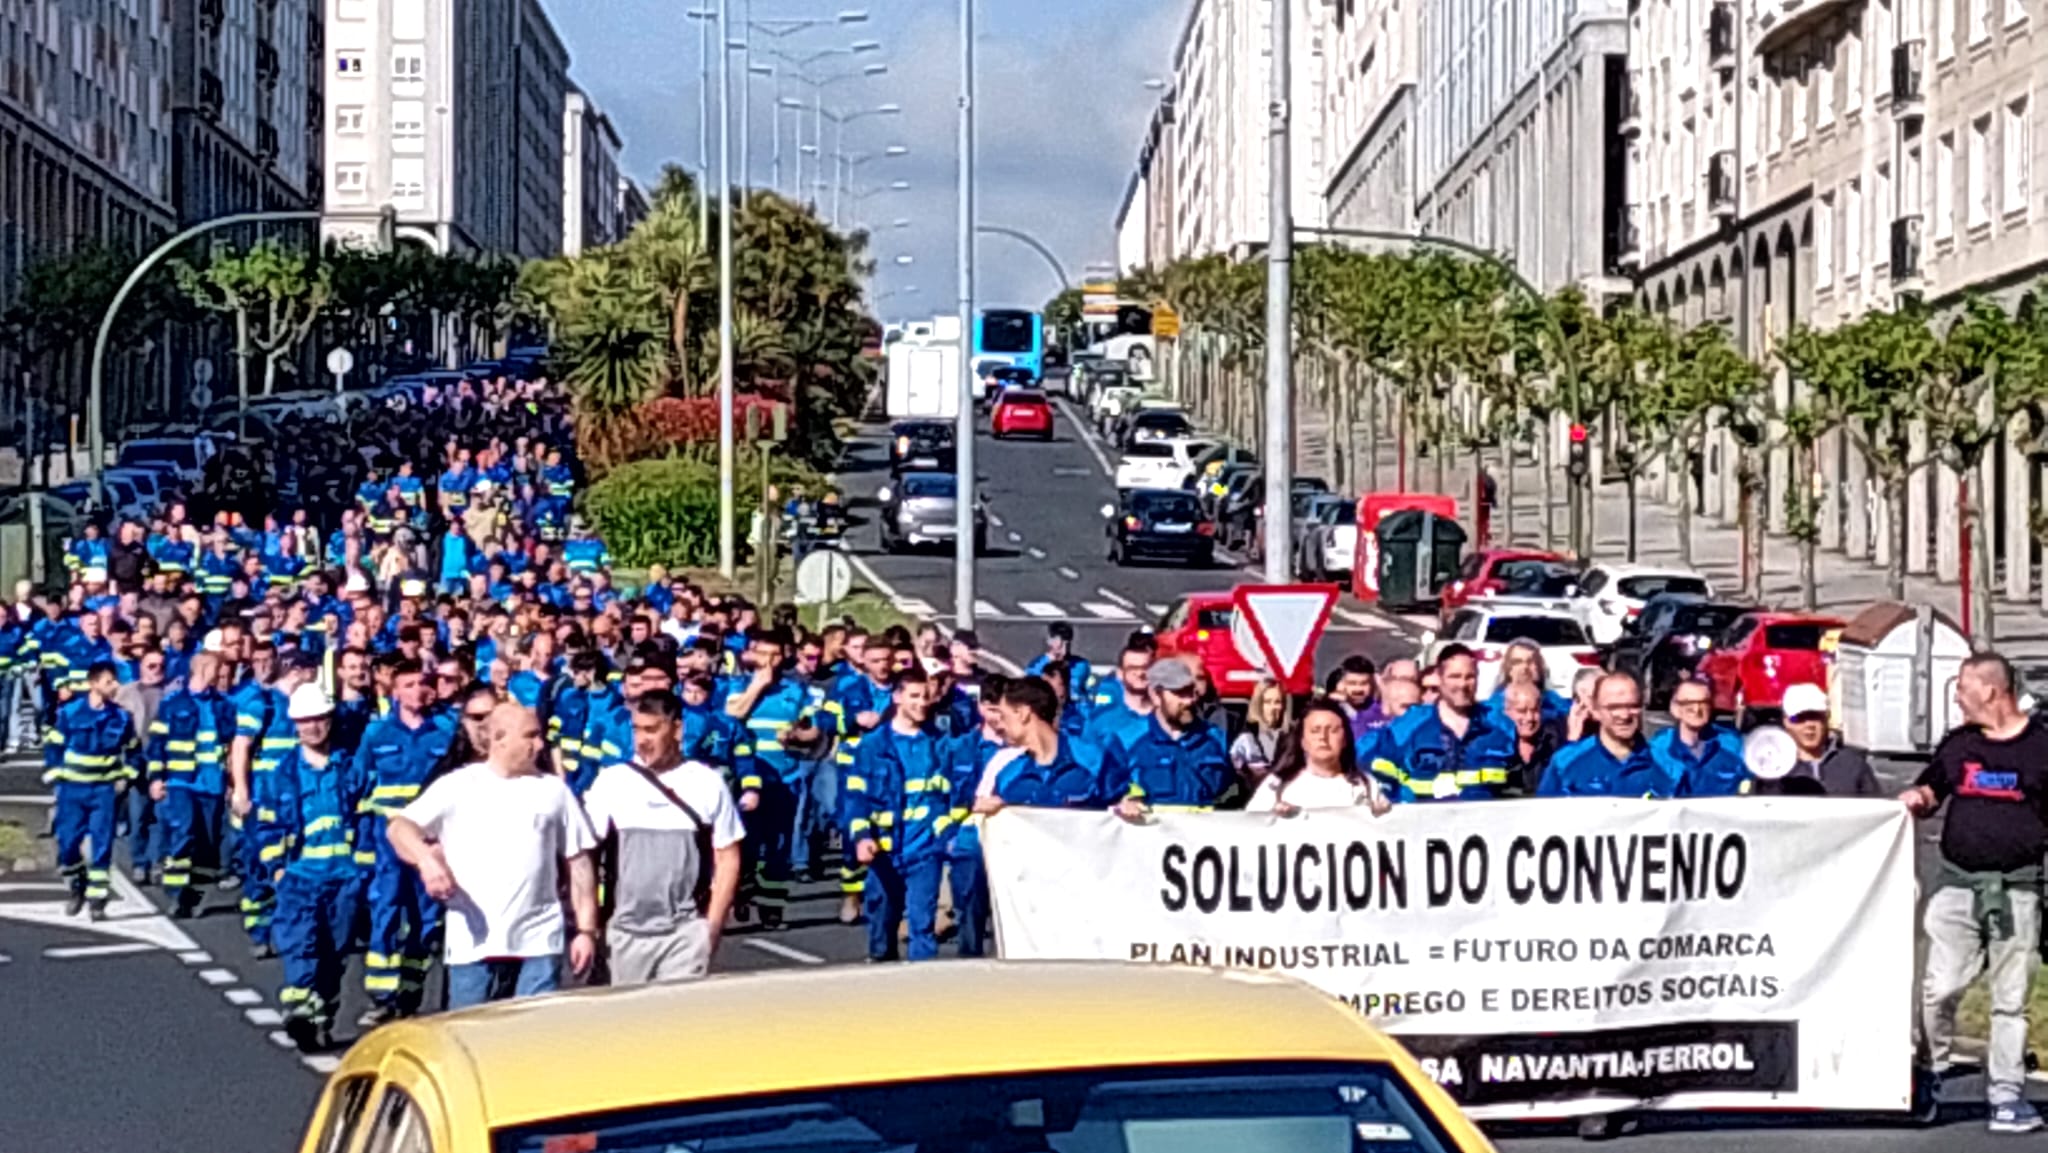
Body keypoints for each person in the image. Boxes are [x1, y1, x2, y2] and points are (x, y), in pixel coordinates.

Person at [1903, 653, 2048, 1132]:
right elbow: (1931, 790)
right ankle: (1930, 1070)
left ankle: (2006, 1096)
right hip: (1957, 885)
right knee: (1939, 987)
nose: (1957, 696)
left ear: (1991, 691)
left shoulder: (2041, 747)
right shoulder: (1959, 744)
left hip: (2017, 890)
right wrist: (1917, 799)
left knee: (2010, 998)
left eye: (1963, 687)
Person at [387, 702, 601, 1009]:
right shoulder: (458, 785)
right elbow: (399, 828)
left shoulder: (553, 791)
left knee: (535, 1029)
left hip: (538, 941)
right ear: (500, 738)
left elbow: (579, 863)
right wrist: (427, 860)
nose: (540, 745)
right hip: (473, 942)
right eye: (530, 736)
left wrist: (585, 931)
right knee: (472, 1031)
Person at [582, 689, 744, 985]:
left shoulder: (706, 783)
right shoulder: (612, 782)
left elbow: (728, 857)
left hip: (685, 934)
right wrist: (588, 925)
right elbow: (584, 856)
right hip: (623, 935)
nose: (642, 740)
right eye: (637, 729)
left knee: (675, 1013)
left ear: (677, 730)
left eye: (652, 730)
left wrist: (711, 928)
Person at [265, 683, 372, 1052]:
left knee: (335, 953)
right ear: (295, 724)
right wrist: (277, 869)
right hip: (300, 879)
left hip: (344, 878)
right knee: (300, 947)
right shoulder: (282, 774)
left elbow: (364, 817)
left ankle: (321, 1013)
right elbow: (267, 825)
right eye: (305, 721)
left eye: (319, 719)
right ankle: (300, 1011)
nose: (313, 727)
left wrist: (362, 867)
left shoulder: (349, 768)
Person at [354, 658, 458, 1025]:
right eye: (408, 684)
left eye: (422, 683)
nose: (416, 691)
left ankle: (411, 988)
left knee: (425, 917)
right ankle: (382, 996)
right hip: (387, 840)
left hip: (428, 841)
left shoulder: (444, 732)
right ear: (395, 691)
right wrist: (362, 842)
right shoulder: (377, 734)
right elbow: (359, 785)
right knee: (386, 910)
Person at [844, 666, 951, 962]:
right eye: (914, 696)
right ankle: (882, 965)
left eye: (926, 696)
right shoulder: (872, 746)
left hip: (926, 849)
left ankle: (923, 983)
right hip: (885, 849)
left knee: (922, 925)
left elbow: (950, 794)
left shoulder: (939, 744)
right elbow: (856, 796)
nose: (921, 703)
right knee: (881, 920)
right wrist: (862, 837)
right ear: (897, 697)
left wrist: (947, 836)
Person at [43, 661, 138, 919]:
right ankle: (78, 883)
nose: (115, 686)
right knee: (67, 843)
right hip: (73, 790)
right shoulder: (70, 712)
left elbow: (133, 749)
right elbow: (55, 745)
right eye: (109, 681)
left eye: (115, 681)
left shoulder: (121, 717)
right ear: (93, 684)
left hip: (103, 791)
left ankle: (98, 900)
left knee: (102, 844)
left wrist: (127, 776)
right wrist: (55, 772)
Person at [1361, 646, 1516, 803]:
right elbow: (1370, 764)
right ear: (1439, 678)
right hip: (1424, 817)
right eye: (1454, 676)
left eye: (1470, 677)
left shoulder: (1499, 726)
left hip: (1486, 818)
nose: (1462, 684)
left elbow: (1522, 781)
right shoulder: (1410, 725)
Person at [147, 651, 234, 917]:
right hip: (181, 781)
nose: (221, 675)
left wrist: (233, 781)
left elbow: (232, 745)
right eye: (217, 669)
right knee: (183, 833)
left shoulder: (224, 705)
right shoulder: (172, 704)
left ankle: (193, 894)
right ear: (203, 669)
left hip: (212, 783)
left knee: (207, 843)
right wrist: (156, 777)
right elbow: (157, 743)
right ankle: (175, 893)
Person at [1102, 657, 1233, 817]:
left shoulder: (1215, 738)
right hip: (1151, 831)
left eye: (1190, 691)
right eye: (1179, 693)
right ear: (1156, 695)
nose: (1189, 701)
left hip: (1204, 832)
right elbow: (1109, 796)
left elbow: (1235, 793)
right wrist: (1126, 802)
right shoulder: (1127, 741)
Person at [1247, 699, 1391, 815]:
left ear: (1345, 739)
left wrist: (1381, 817)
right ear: (1302, 741)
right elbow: (1249, 829)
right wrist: (1272, 818)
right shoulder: (1277, 785)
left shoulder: (1366, 785)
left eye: (1332, 730)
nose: (1323, 737)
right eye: (1315, 731)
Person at [1539, 672, 1666, 798]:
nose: (1624, 715)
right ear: (1595, 710)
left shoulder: (1665, 764)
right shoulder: (1565, 762)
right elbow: (1542, 809)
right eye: (1614, 708)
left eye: (1633, 706)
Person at [1771, 681, 1881, 796]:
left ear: (1826, 718)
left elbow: (1877, 804)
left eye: (1816, 716)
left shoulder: (1853, 764)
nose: (1809, 725)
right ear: (1786, 721)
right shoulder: (1772, 768)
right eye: (1799, 718)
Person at [115, 646, 168, 883]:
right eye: (151, 666)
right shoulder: (125, 693)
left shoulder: (171, 693)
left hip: (165, 762)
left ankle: (156, 861)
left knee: (160, 817)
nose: (157, 670)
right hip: (137, 761)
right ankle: (139, 862)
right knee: (138, 817)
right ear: (141, 667)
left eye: (161, 666)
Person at [1651, 675, 1749, 797]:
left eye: (1703, 703)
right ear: (1675, 708)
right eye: (1689, 703)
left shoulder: (1733, 745)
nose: (1697, 709)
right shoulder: (1658, 750)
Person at [1083, 635, 1157, 752]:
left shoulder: (1168, 718)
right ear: (1120, 674)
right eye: (1132, 668)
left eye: (1145, 667)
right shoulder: (1101, 720)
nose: (1140, 673)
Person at [1499, 681, 1563, 796]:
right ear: (1507, 712)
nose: (1529, 718)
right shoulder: (1494, 748)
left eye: (1535, 711)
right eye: (1522, 711)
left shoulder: (1554, 743)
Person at [1229, 679, 1285, 788]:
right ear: (1258, 704)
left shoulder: (1291, 738)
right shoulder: (1245, 740)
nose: (1273, 708)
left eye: (1277, 702)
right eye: (1267, 702)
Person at [1025, 621, 1091, 701]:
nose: (1064, 648)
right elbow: (1032, 683)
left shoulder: (1080, 664)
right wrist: (1050, 659)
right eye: (1061, 643)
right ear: (1050, 641)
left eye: (1067, 644)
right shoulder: (1038, 666)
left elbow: (1077, 690)